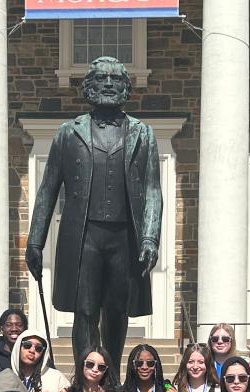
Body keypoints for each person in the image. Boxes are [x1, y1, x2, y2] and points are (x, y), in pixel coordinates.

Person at [26, 56, 162, 365]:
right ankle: (85, 378)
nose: (110, 84)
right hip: (84, 235)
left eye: (116, 79)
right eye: (102, 78)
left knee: (116, 311)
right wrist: (35, 241)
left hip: (124, 237)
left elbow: (153, 190)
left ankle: (111, 377)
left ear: (126, 88)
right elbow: (47, 189)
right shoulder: (67, 133)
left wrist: (150, 238)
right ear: (89, 86)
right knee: (85, 309)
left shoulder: (143, 134)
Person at [0, 308, 27, 374]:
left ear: (25, 328)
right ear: (1, 328)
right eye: (8, 325)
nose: (14, 329)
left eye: (19, 325)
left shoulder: (32, 353)